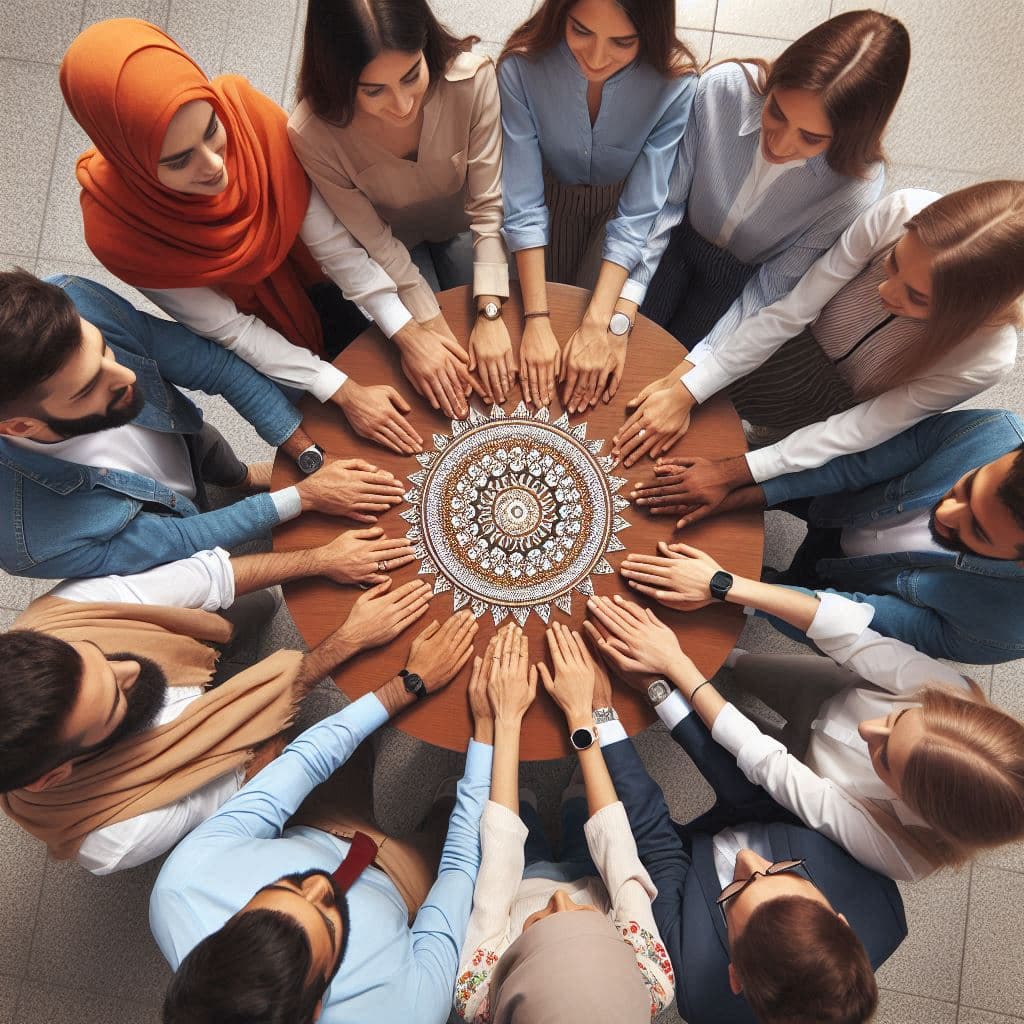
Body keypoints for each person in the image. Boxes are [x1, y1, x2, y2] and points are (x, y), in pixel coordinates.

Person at [59, 18, 446, 441]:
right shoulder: (119, 230)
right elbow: (234, 330)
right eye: (178, 160)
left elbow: (335, 250)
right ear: (130, 161)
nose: (215, 167)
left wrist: (406, 331)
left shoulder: (249, 118)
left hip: (317, 273)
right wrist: (345, 392)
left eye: (212, 131)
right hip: (257, 325)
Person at [0, 539, 430, 873]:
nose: (131, 666)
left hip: (189, 647)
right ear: (57, 773)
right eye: (114, 701)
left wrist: (324, 558)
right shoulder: (116, 833)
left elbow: (209, 576)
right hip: (232, 771)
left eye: (97, 654)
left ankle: (215, 650)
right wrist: (347, 642)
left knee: (258, 604)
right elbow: (249, 773)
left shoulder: (58, 620)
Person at [152, 611, 486, 1024]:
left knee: (368, 716)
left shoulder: (182, 886)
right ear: (314, 1010)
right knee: (447, 805)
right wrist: (488, 729)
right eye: (328, 923)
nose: (318, 883)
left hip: (316, 820)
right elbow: (459, 871)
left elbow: (305, 762)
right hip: (401, 882)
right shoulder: (403, 1014)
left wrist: (408, 685)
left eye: (283, 888)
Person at [581, 616, 906, 1024]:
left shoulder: (697, 991)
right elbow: (762, 798)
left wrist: (601, 714)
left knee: (593, 830)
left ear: (735, 977)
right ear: (840, 920)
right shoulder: (878, 901)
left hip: (681, 864)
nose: (749, 860)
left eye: (734, 891)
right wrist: (658, 689)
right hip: (759, 805)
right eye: (781, 872)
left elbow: (656, 848)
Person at [589, 584, 1024, 880]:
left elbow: (769, 763)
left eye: (886, 757)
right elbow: (854, 637)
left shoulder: (905, 852)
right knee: (741, 666)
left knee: (719, 722)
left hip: (799, 766)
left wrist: (676, 664)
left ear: (920, 805)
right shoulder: (956, 694)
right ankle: (723, 666)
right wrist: (723, 585)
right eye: (896, 717)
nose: (869, 727)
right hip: (827, 688)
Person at [0, 272, 407, 579]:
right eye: (89, 387)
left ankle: (242, 478)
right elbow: (179, 541)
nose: (126, 377)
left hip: (186, 440)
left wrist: (307, 453)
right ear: (19, 426)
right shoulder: (29, 540)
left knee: (216, 458)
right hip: (167, 535)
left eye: (106, 350)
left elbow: (215, 366)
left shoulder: (73, 303)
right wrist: (304, 498)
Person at [616, 182, 1023, 475]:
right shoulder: (902, 210)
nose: (886, 289)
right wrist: (692, 389)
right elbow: (789, 311)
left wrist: (738, 470)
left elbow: (862, 426)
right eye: (894, 262)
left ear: (966, 312)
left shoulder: (987, 356)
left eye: (918, 298)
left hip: (829, 418)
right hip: (774, 348)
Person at [627, 407, 1024, 664]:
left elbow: (860, 622)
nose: (946, 511)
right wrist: (741, 490)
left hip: (844, 594)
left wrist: (726, 587)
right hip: (839, 499)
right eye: (967, 485)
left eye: (977, 531)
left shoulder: (1004, 630)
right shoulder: (992, 433)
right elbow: (859, 464)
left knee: (746, 594)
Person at [620, 10, 907, 359]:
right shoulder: (723, 90)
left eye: (811, 138)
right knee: (627, 343)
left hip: (743, 289)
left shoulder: (854, 187)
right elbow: (667, 203)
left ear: (848, 137)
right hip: (671, 244)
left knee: (674, 370)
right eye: (777, 113)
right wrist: (624, 306)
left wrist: (690, 376)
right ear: (771, 87)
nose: (780, 145)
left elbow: (771, 287)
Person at [289, 0, 514, 408]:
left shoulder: (472, 79)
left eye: (412, 76)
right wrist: (426, 325)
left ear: (425, 46)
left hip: (464, 227)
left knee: (496, 346)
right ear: (337, 79)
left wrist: (491, 311)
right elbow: (376, 243)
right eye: (374, 91)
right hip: (392, 249)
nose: (403, 105)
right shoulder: (314, 133)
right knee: (433, 372)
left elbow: (487, 208)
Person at [455, 623, 674, 1022]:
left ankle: (528, 797)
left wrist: (506, 722)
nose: (560, 900)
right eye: (583, 917)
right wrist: (580, 718)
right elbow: (620, 858)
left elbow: (498, 867)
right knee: (583, 811)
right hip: (595, 870)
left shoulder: (477, 995)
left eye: (542, 925)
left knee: (514, 815)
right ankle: (570, 796)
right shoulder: (652, 981)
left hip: (518, 879)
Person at [498, 0, 697, 411]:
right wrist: (536, 319)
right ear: (559, 15)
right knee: (528, 341)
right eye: (581, 31)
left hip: (618, 206)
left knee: (584, 346)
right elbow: (524, 201)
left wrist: (595, 322)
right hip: (545, 197)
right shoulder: (521, 67)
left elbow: (638, 212)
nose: (597, 57)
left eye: (623, 42)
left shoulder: (675, 82)